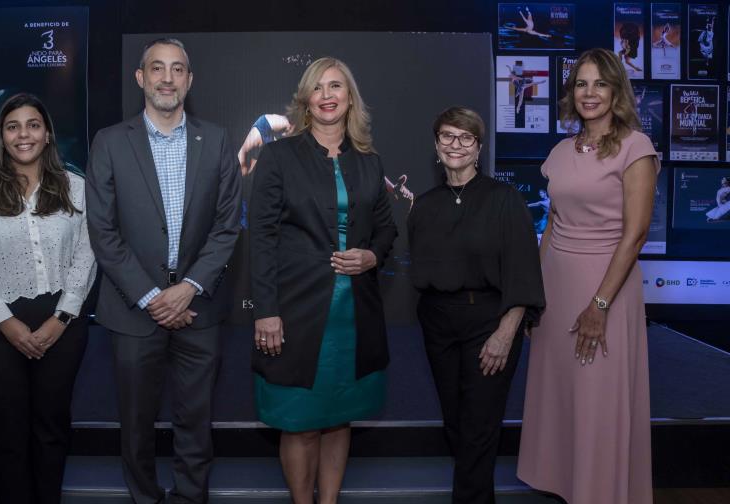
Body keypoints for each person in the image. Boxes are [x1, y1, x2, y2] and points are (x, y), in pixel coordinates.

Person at [85, 38, 241, 504]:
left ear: (189, 81)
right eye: (157, 68)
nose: (167, 78)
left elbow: (227, 225)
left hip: (200, 309)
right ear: (141, 77)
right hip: (134, 312)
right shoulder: (110, 142)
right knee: (135, 424)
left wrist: (188, 288)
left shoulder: (215, 140)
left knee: (197, 421)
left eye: (177, 70)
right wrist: (153, 297)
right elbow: (103, 232)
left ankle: (191, 498)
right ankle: (145, 498)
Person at [249, 57, 397, 504]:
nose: (328, 95)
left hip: (354, 315)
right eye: (319, 88)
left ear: (350, 97)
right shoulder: (277, 156)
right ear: (306, 100)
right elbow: (261, 239)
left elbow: (388, 228)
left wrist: (372, 255)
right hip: (295, 313)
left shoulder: (370, 162)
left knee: (339, 418)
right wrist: (267, 312)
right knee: (301, 422)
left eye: (337, 86)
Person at [518, 48, 659, 504]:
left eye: (600, 83)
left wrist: (599, 304)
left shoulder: (635, 147)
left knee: (598, 397)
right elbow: (553, 226)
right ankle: (566, 485)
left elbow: (635, 234)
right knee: (561, 393)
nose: (589, 93)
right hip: (557, 286)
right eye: (581, 83)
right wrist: (533, 295)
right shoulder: (560, 151)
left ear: (617, 90)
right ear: (570, 92)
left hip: (606, 289)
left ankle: (600, 491)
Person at [0, 93, 96, 503]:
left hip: (62, 327)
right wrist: (7, 323)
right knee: (6, 431)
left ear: (47, 134)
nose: (23, 134)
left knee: (51, 428)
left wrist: (61, 318)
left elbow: (88, 252)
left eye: (33, 125)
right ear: (1, 136)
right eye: (13, 126)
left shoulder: (76, 188)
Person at [407, 107, 545, 504]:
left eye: (465, 138)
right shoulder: (425, 206)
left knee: (479, 426)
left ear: (479, 148)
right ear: (436, 146)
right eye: (447, 136)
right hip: (438, 323)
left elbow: (523, 272)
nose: (456, 145)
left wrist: (506, 332)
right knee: (456, 424)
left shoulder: (505, 199)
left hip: (490, 321)